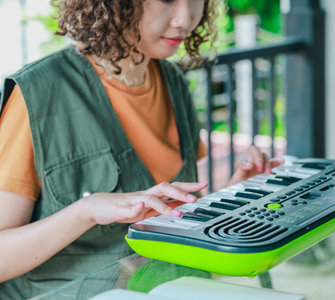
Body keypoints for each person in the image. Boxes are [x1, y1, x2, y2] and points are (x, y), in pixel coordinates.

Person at [0, 0, 283, 298]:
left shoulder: (172, 82)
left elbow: (176, 217)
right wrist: (84, 212)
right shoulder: (37, 94)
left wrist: (231, 197)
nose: (184, 19)